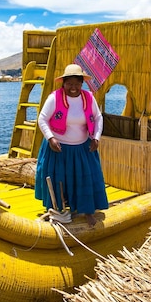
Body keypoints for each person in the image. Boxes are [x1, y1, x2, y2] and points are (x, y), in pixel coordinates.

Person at [34, 64, 108, 226]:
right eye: (69, 84)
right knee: (58, 180)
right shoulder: (54, 98)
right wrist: (51, 138)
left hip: (83, 148)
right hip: (58, 148)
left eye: (77, 84)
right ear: (63, 83)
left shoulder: (88, 97)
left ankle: (88, 211)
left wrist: (96, 137)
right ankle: (57, 210)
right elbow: (42, 119)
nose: (73, 88)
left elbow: (98, 117)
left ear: (82, 84)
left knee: (84, 180)